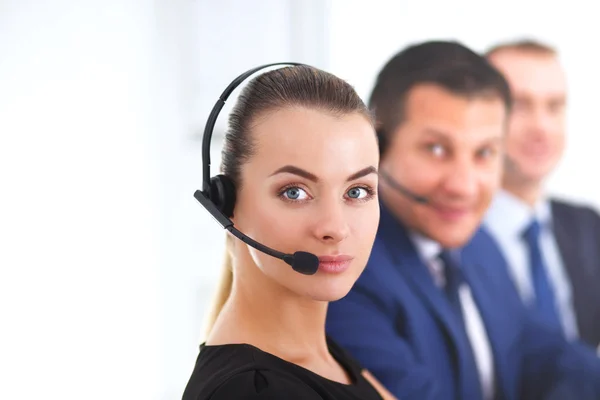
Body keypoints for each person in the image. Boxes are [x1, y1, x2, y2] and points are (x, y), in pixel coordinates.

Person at [326, 41, 600, 400]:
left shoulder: (477, 245)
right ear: (375, 145)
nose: (464, 186)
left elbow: (540, 355)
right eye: (437, 149)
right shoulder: (344, 272)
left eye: (484, 153)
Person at [181, 64, 397, 400]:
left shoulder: (325, 358)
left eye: (356, 191)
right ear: (225, 203)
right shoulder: (252, 391)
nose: (335, 228)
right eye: (294, 192)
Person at [482, 39, 600, 347]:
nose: (541, 127)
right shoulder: (448, 236)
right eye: (520, 105)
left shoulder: (588, 226)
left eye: (554, 106)